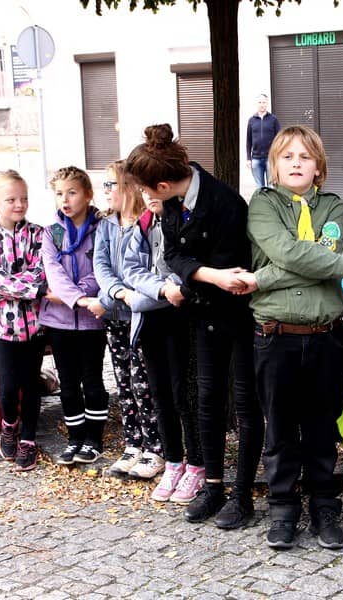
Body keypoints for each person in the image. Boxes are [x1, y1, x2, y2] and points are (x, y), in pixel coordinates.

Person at [239, 125, 343, 549]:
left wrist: (261, 279)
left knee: (321, 427)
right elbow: (291, 252)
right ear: (274, 165)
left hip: (325, 336)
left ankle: (324, 505)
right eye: (287, 156)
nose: (296, 163)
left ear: (319, 167)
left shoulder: (331, 206)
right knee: (279, 428)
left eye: (305, 156)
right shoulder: (263, 203)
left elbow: (324, 255)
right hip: (276, 336)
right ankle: (282, 508)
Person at [126, 124, 263, 530]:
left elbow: (234, 267)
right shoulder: (172, 202)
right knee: (207, 399)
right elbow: (174, 256)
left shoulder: (225, 202)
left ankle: (242, 495)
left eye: (148, 191)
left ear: (163, 184)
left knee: (245, 403)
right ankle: (213, 487)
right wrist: (209, 275)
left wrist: (204, 277)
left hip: (239, 314)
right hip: (203, 313)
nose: (148, 198)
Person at [121, 183, 205, 504]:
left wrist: (143, 297)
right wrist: (159, 290)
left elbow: (186, 276)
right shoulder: (142, 225)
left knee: (185, 395)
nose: (150, 197)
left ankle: (196, 464)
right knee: (160, 395)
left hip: (182, 319)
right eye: (144, 191)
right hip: (151, 321)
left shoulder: (186, 221)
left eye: (155, 189)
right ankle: (173, 462)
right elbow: (131, 270)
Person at [93, 160, 164, 479]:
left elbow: (146, 271)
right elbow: (101, 267)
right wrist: (116, 294)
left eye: (112, 185)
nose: (106, 191)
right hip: (116, 315)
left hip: (141, 317)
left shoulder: (146, 226)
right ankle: (133, 443)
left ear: (130, 187)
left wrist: (127, 296)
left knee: (142, 382)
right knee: (123, 383)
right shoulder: (107, 225)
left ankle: (155, 447)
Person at [0, 170, 46, 472]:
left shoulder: (38, 234)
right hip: (3, 328)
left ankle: (28, 438)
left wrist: (12, 287)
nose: (19, 204)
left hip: (35, 326)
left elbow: (40, 273)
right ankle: (9, 424)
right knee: (7, 388)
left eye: (23, 198)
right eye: (11, 199)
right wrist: (28, 288)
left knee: (31, 385)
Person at [41, 167, 109, 466]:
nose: (65, 200)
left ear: (88, 194)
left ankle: (94, 439)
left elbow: (101, 269)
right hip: (59, 320)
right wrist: (75, 298)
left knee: (92, 380)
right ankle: (74, 438)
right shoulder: (50, 232)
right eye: (59, 194)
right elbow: (52, 271)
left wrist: (79, 296)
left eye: (72, 192)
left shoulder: (103, 228)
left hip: (92, 319)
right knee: (67, 383)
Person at [246, 94, 281, 188]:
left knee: (271, 185)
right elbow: (248, 141)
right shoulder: (251, 120)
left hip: (270, 158)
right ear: (257, 104)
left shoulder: (273, 119)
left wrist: (277, 155)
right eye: (260, 102)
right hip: (256, 159)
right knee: (259, 186)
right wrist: (248, 158)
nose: (262, 104)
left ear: (267, 103)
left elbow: (279, 139)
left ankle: (271, 198)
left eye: (264, 102)